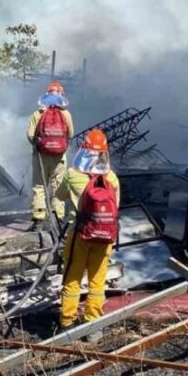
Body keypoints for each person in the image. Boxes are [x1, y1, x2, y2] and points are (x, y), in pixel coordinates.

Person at [57, 129, 120, 337]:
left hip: (79, 235)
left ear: (84, 150)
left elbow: (60, 195)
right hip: (105, 237)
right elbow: (116, 207)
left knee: (72, 278)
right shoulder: (112, 178)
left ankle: (67, 324)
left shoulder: (73, 175)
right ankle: (93, 328)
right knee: (97, 281)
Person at [26, 81, 73, 228]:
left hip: (40, 157)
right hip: (59, 158)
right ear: (61, 96)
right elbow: (71, 134)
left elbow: (30, 135)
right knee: (57, 186)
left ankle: (38, 220)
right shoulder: (66, 114)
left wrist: (39, 144)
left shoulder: (37, 114)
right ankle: (57, 219)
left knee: (39, 186)